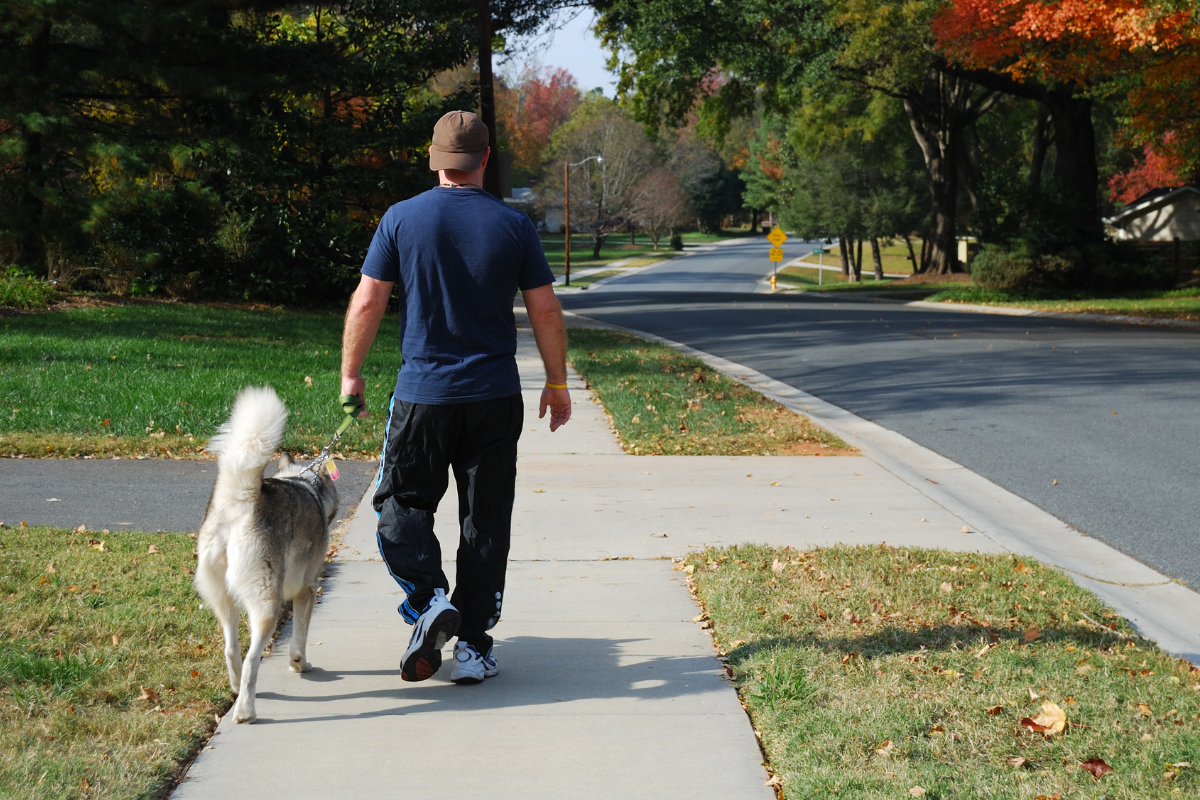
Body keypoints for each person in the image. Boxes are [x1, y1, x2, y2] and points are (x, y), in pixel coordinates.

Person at [340, 110, 571, 685]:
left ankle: (427, 600)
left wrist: (352, 375)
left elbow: (368, 302)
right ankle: (473, 646)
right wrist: (557, 381)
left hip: (424, 396)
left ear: (434, 158)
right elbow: (544, 308)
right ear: (485, 159)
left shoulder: (401, 219)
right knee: (485, 520)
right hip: (494, 396)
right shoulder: (514, 226)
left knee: (400, 505)